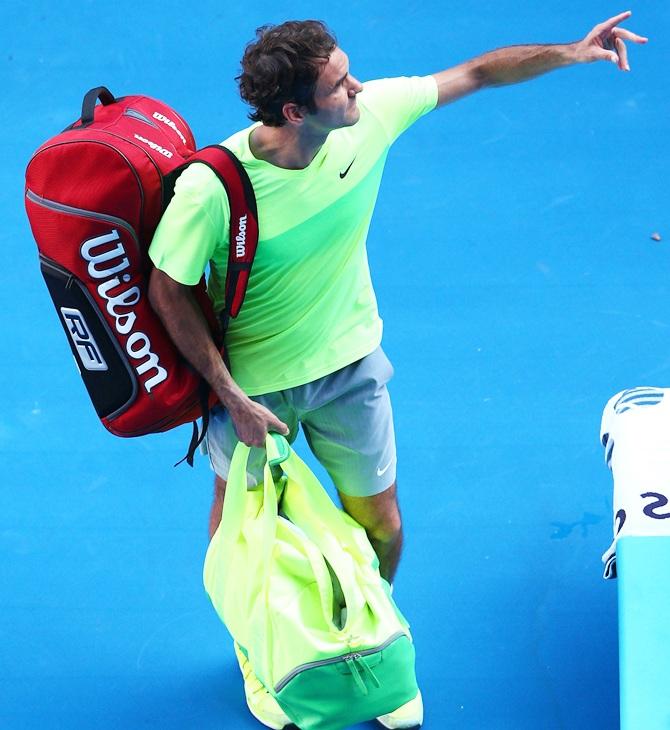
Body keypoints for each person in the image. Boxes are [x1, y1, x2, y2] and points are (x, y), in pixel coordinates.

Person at [148, 13, 646, 729]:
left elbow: (475, 71)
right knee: (246, 537)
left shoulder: (367, 116)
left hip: (351, 368)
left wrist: (572, 52)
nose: (358, 87)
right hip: (254, 388)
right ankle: (261, 653)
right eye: (339, 84)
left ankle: (367, 649)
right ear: (294, 111)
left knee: (380, 524)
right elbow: (168, 288)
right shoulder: (214, 186)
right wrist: (229, 394)